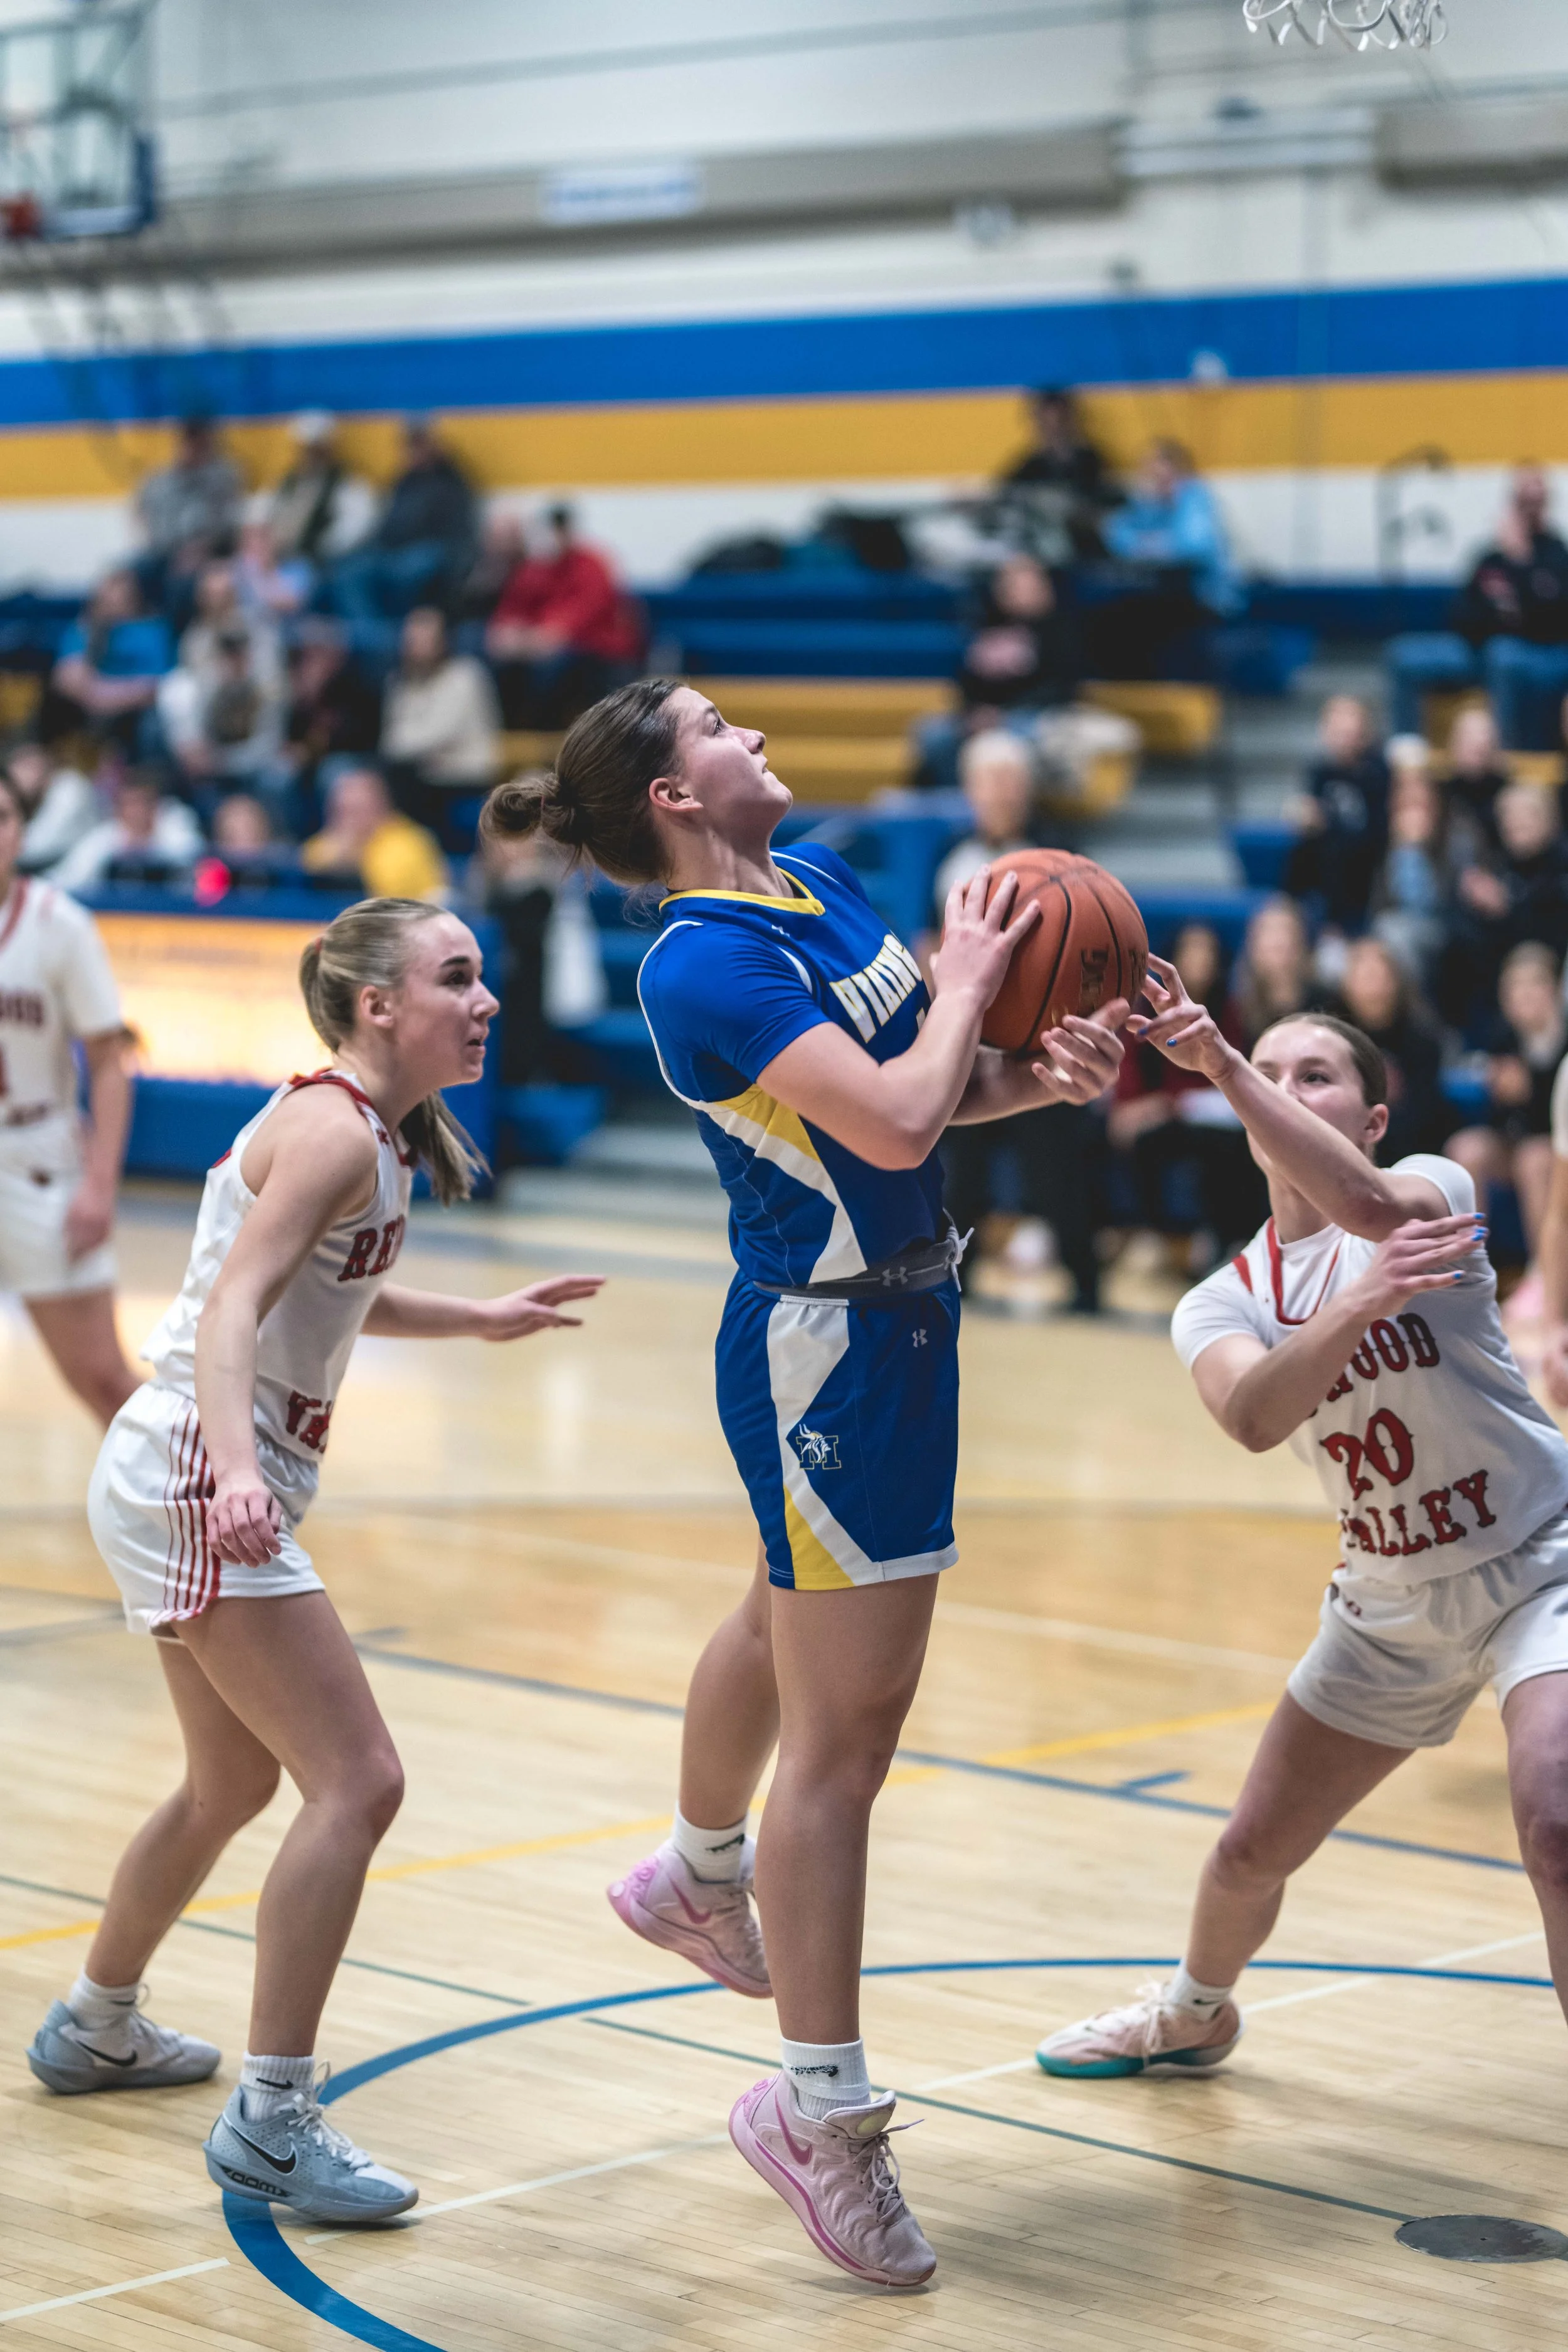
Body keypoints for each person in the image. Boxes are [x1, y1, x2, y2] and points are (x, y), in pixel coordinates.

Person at [480, 677, 1126, 2287]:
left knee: (789, 1627)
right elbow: (898, 1124)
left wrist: (1042, 1072)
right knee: (845, 1739)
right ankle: (816, 2110)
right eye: (713, 723)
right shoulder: (703, 960)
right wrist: (981, 974)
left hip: (904, 1316)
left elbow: (937, 1087)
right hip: (827, 1350)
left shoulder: (819, 883)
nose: (749, 728)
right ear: (674, 795)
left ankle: (694, 1870)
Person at [26, 898, 604, 2224]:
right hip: (195, 1458)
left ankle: (94, 2023)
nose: (485, 1000)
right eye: (456, 978)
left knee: (230, 1779)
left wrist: (477, 1318)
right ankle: (273, 2121)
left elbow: (322, 1294)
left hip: (184, 1458)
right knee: (360, 1780)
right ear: (376, 1005)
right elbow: (232, 1309)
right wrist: (235, 1469)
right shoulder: (337, 1128)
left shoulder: (364, 1135)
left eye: (482, 977)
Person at [1035, 977, 1568, 2087]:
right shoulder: (1218, 1299)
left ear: (1372, 1121)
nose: (1281, 1088)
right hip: (1389, 1599)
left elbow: (1379, 1222)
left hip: (1538, 1559)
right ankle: (1193, 2012)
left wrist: (1221, 1064)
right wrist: (1361, 1307)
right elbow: (1252, 1414)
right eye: (1266, 1073)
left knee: (1556, 1811)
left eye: (1312, 1075)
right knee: (1247, 1852)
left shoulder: (1428, 1184)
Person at [930, 732, 1104, 1308]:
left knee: (1057, 1168)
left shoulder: (1060, 856)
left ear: (1027, 788)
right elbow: (927, 940)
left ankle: (1086, 1282)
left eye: (1011, 780)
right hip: (972, 1037)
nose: (1002, 792)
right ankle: (958, 1273)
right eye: (990, 781)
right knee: (964, 1171)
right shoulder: (951, 856)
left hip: (1041, 1037)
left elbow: (1087, 949)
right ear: (972, 790)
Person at [0, 767, 139, 1426]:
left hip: (36, 1158)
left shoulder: (60, 924)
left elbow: (111, 1064)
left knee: (102, 1378)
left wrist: (101, 1187)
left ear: (21, 830)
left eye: (2, 817)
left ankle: (213, 1499)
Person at [1108, 921, 1263, 1268]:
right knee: (1132, 1139)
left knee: (1229, 1146)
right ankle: (1145, 1234)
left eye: (1207, 952)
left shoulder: (1231, 1011)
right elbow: (1129, 1090)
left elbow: (1231, 1076)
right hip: (1159, 1118)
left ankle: (1220, 1241)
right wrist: (1141, 1107)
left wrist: (1173, 1101)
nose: (1200, 960)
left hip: (1210, 1119)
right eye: (1192, 951)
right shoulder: (1144, 1011)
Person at [1389, 467, 1568, 746]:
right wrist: (1494, 620)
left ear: (1546, 504)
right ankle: (1406, 753)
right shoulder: (1490, 557)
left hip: (1541, 656)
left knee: (1504, 655)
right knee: (1402, 655)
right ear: (1512, 502)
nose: (1529, 509)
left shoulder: (1556, 556)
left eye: (1536, 501)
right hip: (1480, 649)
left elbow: (1551, 622)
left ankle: (1502, 755)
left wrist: (1521, 560)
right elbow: (1459, 612)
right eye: (1523, 500)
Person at [1443, 941, 1564, 1258]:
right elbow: (1497, 1117)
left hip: (1555, 1148)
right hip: (1515, 1142)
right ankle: (1468, 1265)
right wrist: (1496, 1092)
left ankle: (1545, 1271)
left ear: (1553, 991)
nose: (1523, 994)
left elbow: (1551, 1118)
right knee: (1466, 1148)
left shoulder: (1561, 1041)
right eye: (1515, 986)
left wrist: (1533, 1085)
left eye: (1533, 984)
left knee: (1533, 1158)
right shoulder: (1501, 1036)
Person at [484, 504, 643, 728]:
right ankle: (512, 728)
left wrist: (548, 635)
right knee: (498, 660)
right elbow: (512, 611)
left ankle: (547, 731)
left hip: (594, 650)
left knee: (555, 666)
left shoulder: (591, 564)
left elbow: (590, 612)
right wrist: (509, 633)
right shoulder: (533, 569)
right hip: (539, 647)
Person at [1094, 440, 1240, 677]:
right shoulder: (1150, 505)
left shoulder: (1196, 498)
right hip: (1165, 594)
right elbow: (1118, 535)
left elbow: (1193, 546)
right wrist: (1152, 538)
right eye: (1150, 472)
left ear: (1180, 471)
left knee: (1139, 621)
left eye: (1163, 472)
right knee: (1111, 617)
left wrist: (1149, 543)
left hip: (1208, 598)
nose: (1156, 479)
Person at [330, 417, 477, 622]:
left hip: (430, 553)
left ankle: (399, 638)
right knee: (351, 570)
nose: (414, 450)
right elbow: (385, 526)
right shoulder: (402, 483)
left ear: (434, 445)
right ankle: (370, 637)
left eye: (419, 443)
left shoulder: (451, 483)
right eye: (409, 445)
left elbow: (459, 534)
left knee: (411, 570)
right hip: (391, 553)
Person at [381, 606, 501, 839]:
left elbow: (438, 734)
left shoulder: (465, 675)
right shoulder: (400, 683)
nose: (415, 647)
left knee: (397, 779)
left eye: (424, 639)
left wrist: (407, 746)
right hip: (420, 777)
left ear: (443, 641)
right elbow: (391, 740)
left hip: (464, 779)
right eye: (411, 640)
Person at [1332, 936, 1448, 1164]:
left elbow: (1427, 1108)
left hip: (1411, 1144)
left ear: (1396, 981)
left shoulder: (1422, 1036)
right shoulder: (1331, 1036)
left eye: (1380, 976)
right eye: (1365, 977)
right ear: (1348, 984)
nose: (1374, 986)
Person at [1282, 696, 1390, 936]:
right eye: (1336, 731)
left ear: (1364, 733)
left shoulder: (1377, 773)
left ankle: (1336, 926)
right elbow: (1311, 813)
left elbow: (1377, 830)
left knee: (1337, 851)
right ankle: (1291, 911)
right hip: (1327, 863)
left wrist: (1325, 821)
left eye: (1349, 732)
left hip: (1366, 863)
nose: (1343, 739)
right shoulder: (1320, 772)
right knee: (1302, 849)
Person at [46, 571, 173, 758]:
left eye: (123, 598)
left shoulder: (154, 629)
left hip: (137, 712)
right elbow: (67, 678)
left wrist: (103, 695)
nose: (114, 605)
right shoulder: (84, 629)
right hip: (86, 711)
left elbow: (157, 685)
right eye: (107, 600)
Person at [134, 415, 244, 601]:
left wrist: (201, 548)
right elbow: (140, 510)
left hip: (208, 552)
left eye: (200, 443)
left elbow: (228, 524)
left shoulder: (223, 478)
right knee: (132, 575)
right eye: (189, 441)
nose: (193, 449)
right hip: (165, 551)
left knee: (184, 583)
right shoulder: (161, 479)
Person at [301, 765, 447, 903]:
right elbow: (305, 873)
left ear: (380, 805)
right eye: (342, 811)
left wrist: (357, 856)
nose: (349, 820)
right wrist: (339, 857)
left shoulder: (408, 841)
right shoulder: (328, 840)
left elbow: (387, 895)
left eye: (356, 810)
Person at [51, 766, 203, 893]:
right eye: (129, 805)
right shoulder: (104, 838)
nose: (136, 812)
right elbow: (70, 878)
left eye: (141, 803)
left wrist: (146, 848)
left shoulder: (176, 830)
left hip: (175, 915)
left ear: (154, 806)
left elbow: (196, 862)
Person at [267, 411, 374, 568]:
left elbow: (355, 527)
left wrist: (319, 547)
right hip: (274, 557)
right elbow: (266, 511)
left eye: (316, 450)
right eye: (306, 449)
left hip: (314, 563)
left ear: (328, 449)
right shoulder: (289, 482)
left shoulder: (344, 485)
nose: (310, 456)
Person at [1230, 896, 1320, 1048]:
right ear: (1253, 947)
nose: (1278, 941)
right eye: (1269, 932)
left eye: (1286, 930)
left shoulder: (1327, 1005)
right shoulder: (1235, 1012)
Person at [7, 739, 98, 877]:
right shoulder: (20, 794)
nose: (23, 773)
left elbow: (39, 845)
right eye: (19, 765)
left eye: (30, 765)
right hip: (50, 870)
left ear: (47, 764)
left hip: (87, 877)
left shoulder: (71, 787)